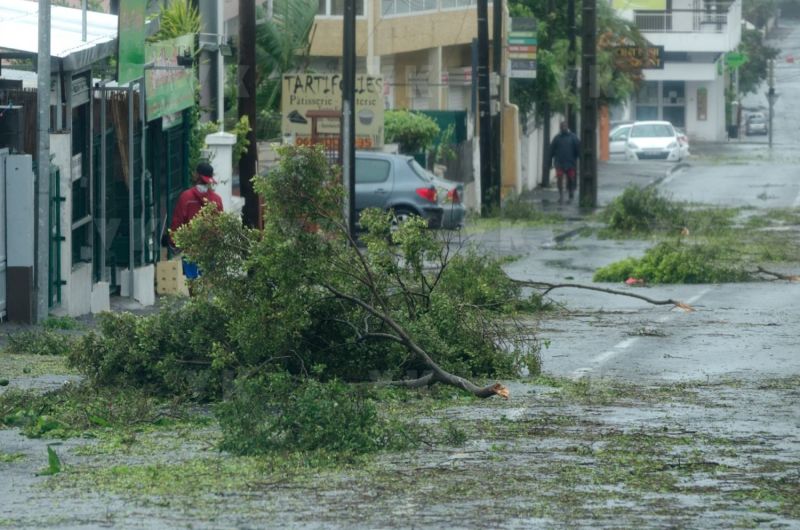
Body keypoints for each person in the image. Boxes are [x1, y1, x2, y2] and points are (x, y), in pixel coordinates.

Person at [169, 162, 223, 279]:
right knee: (208, 278)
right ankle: (205, 298)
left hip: (190, 247)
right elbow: (220, 226)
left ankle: (194, 298)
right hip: (209, 247)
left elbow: (177, 221)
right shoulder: (216, 200)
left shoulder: (186, 197)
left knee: (191, 279)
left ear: (196, 176)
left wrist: (174, 241)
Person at [550, 121, 581, 203]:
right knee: (559, 179)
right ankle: (561, 195)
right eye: (562, 126)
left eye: (565, 126)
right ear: (560, 128)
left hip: (570, 162)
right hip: (559, 162)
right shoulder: (556, 138)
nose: (563, 128)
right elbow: (551, 151)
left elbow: (578, 150)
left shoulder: (573, 137)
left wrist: (578, 159)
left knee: (571, 178)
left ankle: (571, 191)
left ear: (567, 127)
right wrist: (550, 162)